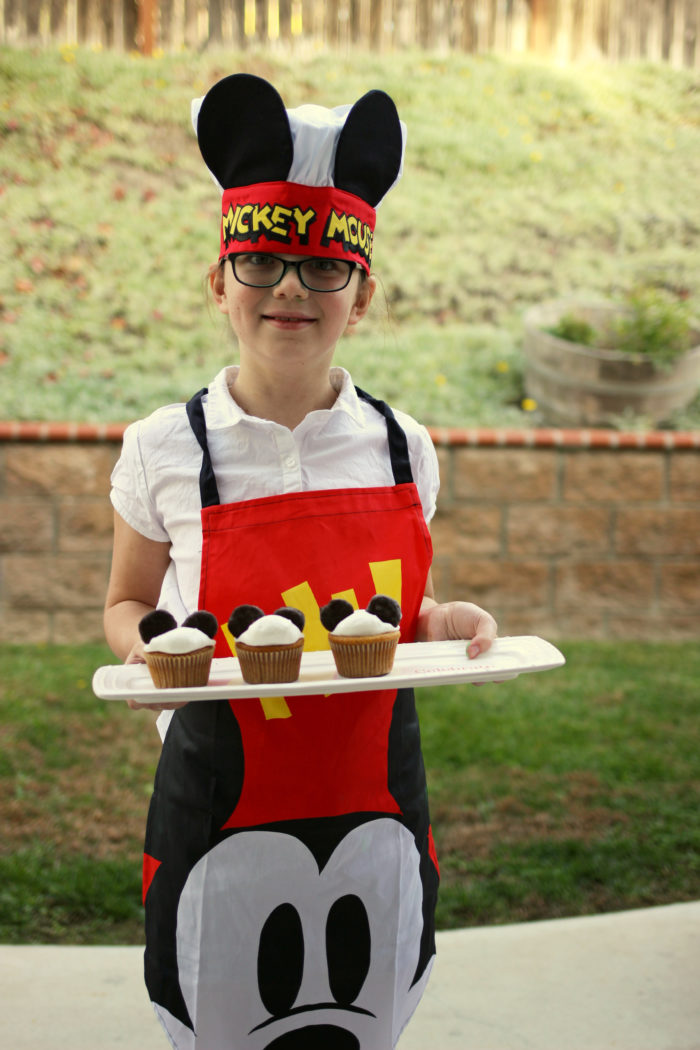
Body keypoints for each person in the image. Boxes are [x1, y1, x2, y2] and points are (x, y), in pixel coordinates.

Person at [104, 73, 497, 1050]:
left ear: (360, 295)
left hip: (371, 800)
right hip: (220, 815)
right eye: (263, 260)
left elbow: (398, 617)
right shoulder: (166, 447)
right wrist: (157, 659)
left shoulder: (405, 445)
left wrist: (443, 626)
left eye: (323, 268)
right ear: (218, 283)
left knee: (359, 1013)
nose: (289, 286)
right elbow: (123, 605)